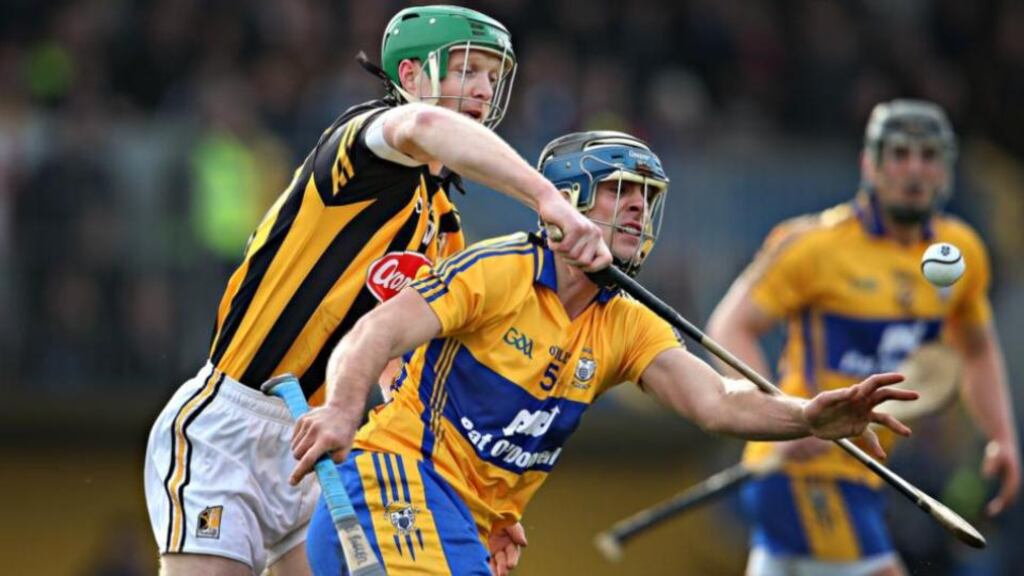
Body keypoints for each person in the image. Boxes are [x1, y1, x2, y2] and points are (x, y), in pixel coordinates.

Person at [290, 130, 917, 575]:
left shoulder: (627, 322)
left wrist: (807, 416)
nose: (639, 207)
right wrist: (341, 411)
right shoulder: (499, 271)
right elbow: (373, 333)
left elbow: (717, 401)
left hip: (460, 523)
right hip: (394, 484)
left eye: (647, 196)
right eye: (620, 190)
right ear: (567, 199)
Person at [142, 6, 611, 576]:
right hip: (232, 427)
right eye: (466, 70)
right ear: (410, 76)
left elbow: (400, 374)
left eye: (492, 77)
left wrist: (469, 496)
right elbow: (424, 125)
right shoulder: (363, 144)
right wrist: (548, 198)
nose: (483, 89)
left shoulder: (445, 228)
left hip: (324, 440)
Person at [706, 99, 1021, 576]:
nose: (914, 169)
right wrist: (783, 415)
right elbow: (729, 328)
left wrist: (1001, 437)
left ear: (945, 171)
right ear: (869, 165)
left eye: (928, 156)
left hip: (866, 476)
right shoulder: (811, 245)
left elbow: (976, 350)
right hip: (801, 470)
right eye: (899, 154)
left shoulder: (961, 253)